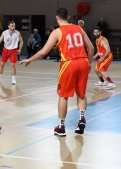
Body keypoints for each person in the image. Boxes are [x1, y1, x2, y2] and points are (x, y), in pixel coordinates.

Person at [20, 8, 94, 137]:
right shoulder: (79, 29)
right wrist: (88, 63)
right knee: (81, 93)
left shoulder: (57, 32)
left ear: (56, 18)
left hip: (69, 63)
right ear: (69, 17)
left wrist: (30, 59)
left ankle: (61, 127)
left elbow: (43, 52)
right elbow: (91, 48)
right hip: (82, 62)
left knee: (63, 96)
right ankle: (82, 118)